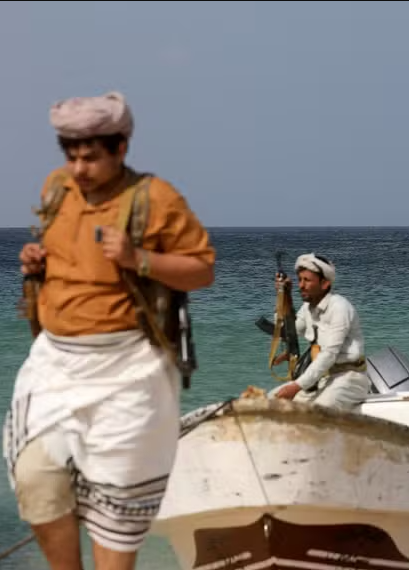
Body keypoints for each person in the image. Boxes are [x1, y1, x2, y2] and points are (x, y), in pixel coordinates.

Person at [3, 91, 216, 570]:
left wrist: (139, 258)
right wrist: (36, 263)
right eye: (72, 156)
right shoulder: (57, 188)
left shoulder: (154, 198)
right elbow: (66, 252)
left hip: (130, 369)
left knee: (116, 505)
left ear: (121, 149)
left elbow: (202, 271)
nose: (79, 169)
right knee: (35, 476)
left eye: (91, 158)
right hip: (56, 363)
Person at [271, 253, 372, 410]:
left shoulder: (339, 307)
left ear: (324, 284)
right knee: (269, 401)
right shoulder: (307, 308)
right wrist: (284, 296)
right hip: (321, 379)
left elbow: (329, 354)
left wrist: (297, 386)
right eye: (299, 280)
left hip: (350, 379)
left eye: (307, 280)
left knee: (318, 412)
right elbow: (287, 333)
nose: (301, 285)